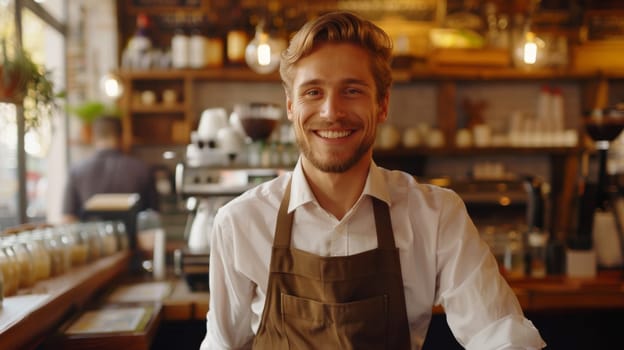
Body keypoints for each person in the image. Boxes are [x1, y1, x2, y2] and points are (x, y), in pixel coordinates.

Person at [201, 11, 546, 350]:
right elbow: (222, 345)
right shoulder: (240, 223)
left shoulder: (436, 215)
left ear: (382, 105)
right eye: (313, 92)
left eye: (351, 91)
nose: (331, 112)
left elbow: (499, 332)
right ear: (290, 106)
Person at [61, 115, 159, 223]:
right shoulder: (142, 169)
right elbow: (153, 217)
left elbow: (68, 218)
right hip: (132, 239)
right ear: (122, 137)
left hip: (92, 238)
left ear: (93, 137)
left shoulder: (77, 171)